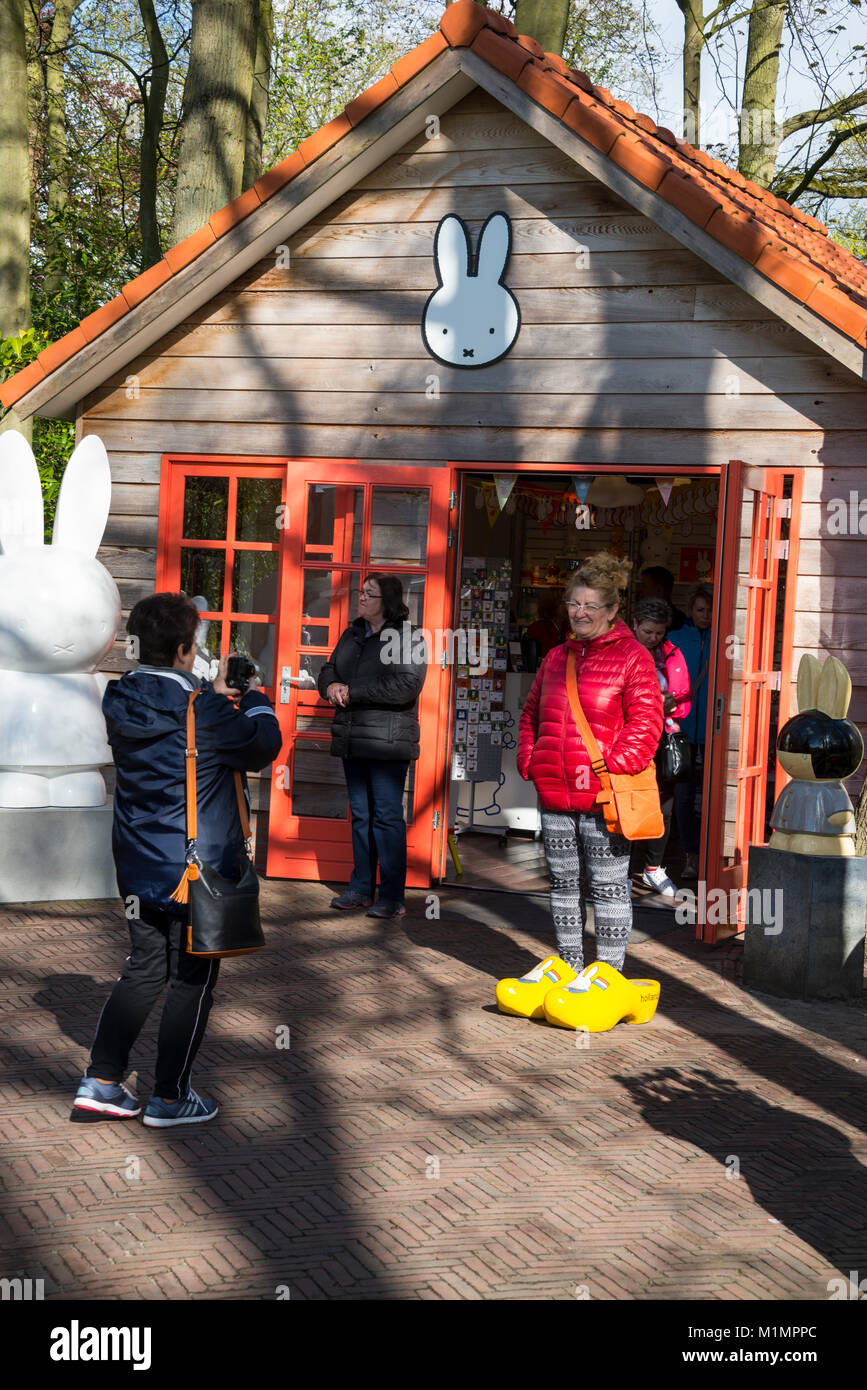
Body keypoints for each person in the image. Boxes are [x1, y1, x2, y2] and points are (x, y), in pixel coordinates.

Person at [72, 593, 282, 1126]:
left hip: (138, 863)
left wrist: (210, 693)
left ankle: (101, 1082)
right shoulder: (205, 711)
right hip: (197, 871)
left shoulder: (119, 699)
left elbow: (177, 720)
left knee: (143, 968)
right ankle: (169, 1097)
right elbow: (262, 745)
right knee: (192, 978)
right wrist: (253, 696)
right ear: (186, 649)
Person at [516, 553, 663, 975]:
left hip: (604, 797)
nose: (580, 613)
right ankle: (570, 967)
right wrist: (531, 759)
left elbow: (646, 725)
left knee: (608, 886)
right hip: (555, 793)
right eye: (574, 605)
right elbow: (530, 715)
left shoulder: (634, 658)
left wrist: (613, 769)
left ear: (613, 611)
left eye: (590, 606)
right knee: (562, 885)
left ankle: (607, 976)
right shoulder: (556, 657)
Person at [319, 574, 427, 920]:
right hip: (354, 738)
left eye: (369, 594)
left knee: (386, 818)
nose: (361, 599)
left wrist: (353, 692)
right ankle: (361, 888)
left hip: (388, 743)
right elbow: (327, 669)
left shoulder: (408, 637)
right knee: (362, 816)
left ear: (388, 601)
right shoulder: (352, 634)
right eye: (361, 593)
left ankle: (392, 896)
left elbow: (407, 686)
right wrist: (331, 685)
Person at [630, 598, 692, 898]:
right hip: (628, 738)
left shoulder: (672, 653)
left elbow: (685, 699)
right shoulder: (621, 652)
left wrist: (673, 703)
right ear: (635, 625)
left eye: (658, 632)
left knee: (662, 805)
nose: (653, 638)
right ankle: (625, 870)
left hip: (662, 737)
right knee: (627, 803)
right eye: (648, 631)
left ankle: (653, 868)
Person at [669, 584, 714, 880]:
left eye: (710, 610)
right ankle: (690, 856)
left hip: (714, 731)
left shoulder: (724, 641)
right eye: (700, 610)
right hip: (682, 732)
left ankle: (712, 858)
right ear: (690, 611)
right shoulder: (674, 641)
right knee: (683, 797)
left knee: (711, 797)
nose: (706, 616)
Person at [639, 566, 688, 631]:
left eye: (644, 586)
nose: (640, 590)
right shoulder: (641, 614)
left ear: (659, 590)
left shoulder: (679, 623)